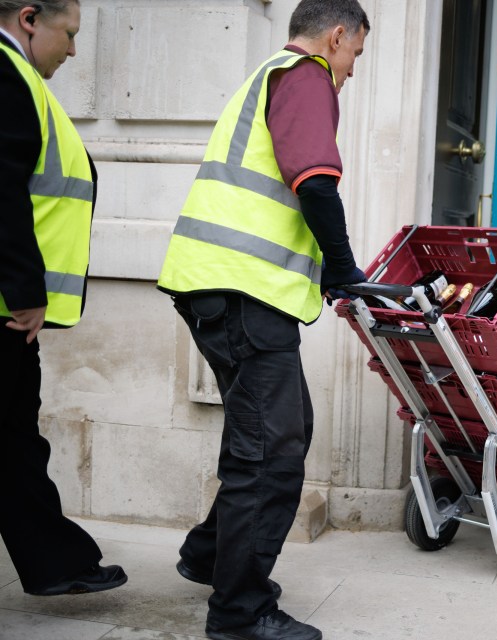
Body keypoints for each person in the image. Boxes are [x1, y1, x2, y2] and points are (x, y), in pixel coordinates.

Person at [156, 1, 369, 638]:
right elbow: (314, 180)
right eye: (356, 54)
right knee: (271, 453)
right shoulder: (307, 76)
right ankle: (240, 612)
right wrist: (345, 267)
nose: (352, 71)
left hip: (218, 287)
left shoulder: (268, 74)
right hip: (244, 293)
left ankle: (207, 557)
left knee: (277, 428)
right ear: (337, 37)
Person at [0, 0, 128, 597]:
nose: (73, 51)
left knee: (16, 440)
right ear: (30, 18)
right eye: (68, 34)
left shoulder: (16, 73)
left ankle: (57, 563)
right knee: (14, 438)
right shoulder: (6, 74)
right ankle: (58, 562)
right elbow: (3, 194)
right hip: (7, 308)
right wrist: (23, 293)